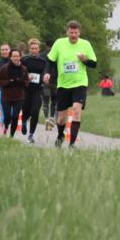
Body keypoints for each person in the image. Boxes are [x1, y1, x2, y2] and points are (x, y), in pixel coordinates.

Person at [44, 20, 97, 149]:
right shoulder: (59, 43)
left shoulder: (85, 44)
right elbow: (50, 60)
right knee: (61, 118)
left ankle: (72, 143)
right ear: (67, 32)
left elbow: (94, 64)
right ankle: (60, 135)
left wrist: (85, 60)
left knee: (76, 111)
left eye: (76, 32)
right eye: (71, 32)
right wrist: (47, 73)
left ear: (80, 32)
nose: (73, 35)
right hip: (63, 84)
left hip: (79, 83)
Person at [0, 48, 29, 139]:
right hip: (6, 96)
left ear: (20, 57)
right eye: (14, 56)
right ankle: (6, 126)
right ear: (10, 57)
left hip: (19, 96)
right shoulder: (4, 68)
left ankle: (11, 136)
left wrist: (23, 82)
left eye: (17, 56)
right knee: (7, 116)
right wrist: (8, 82)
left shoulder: (24, 69)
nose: (16, 58)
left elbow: (27, 81)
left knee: (15, 116)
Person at [21, 39, 47, 143]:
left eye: (36, 48)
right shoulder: (24, 60)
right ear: (29, 49)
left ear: (39, 49)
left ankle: (31, 135)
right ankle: (23, 121)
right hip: (26, 89)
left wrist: (43, 78)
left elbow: (46, 73)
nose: (34, 50)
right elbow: (20, 72)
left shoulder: (43, 61)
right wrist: (26, 77)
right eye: (32, 48)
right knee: (26, 110)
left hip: (38, 89)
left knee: (35, 111)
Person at [41, 39, 57, 130]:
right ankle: (51, 119)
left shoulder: (42, 55)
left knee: (46, 101)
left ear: (46, 45)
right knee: (54, 102)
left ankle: (46, 118)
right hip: (55, 82)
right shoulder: (57, 55)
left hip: (46, 82)